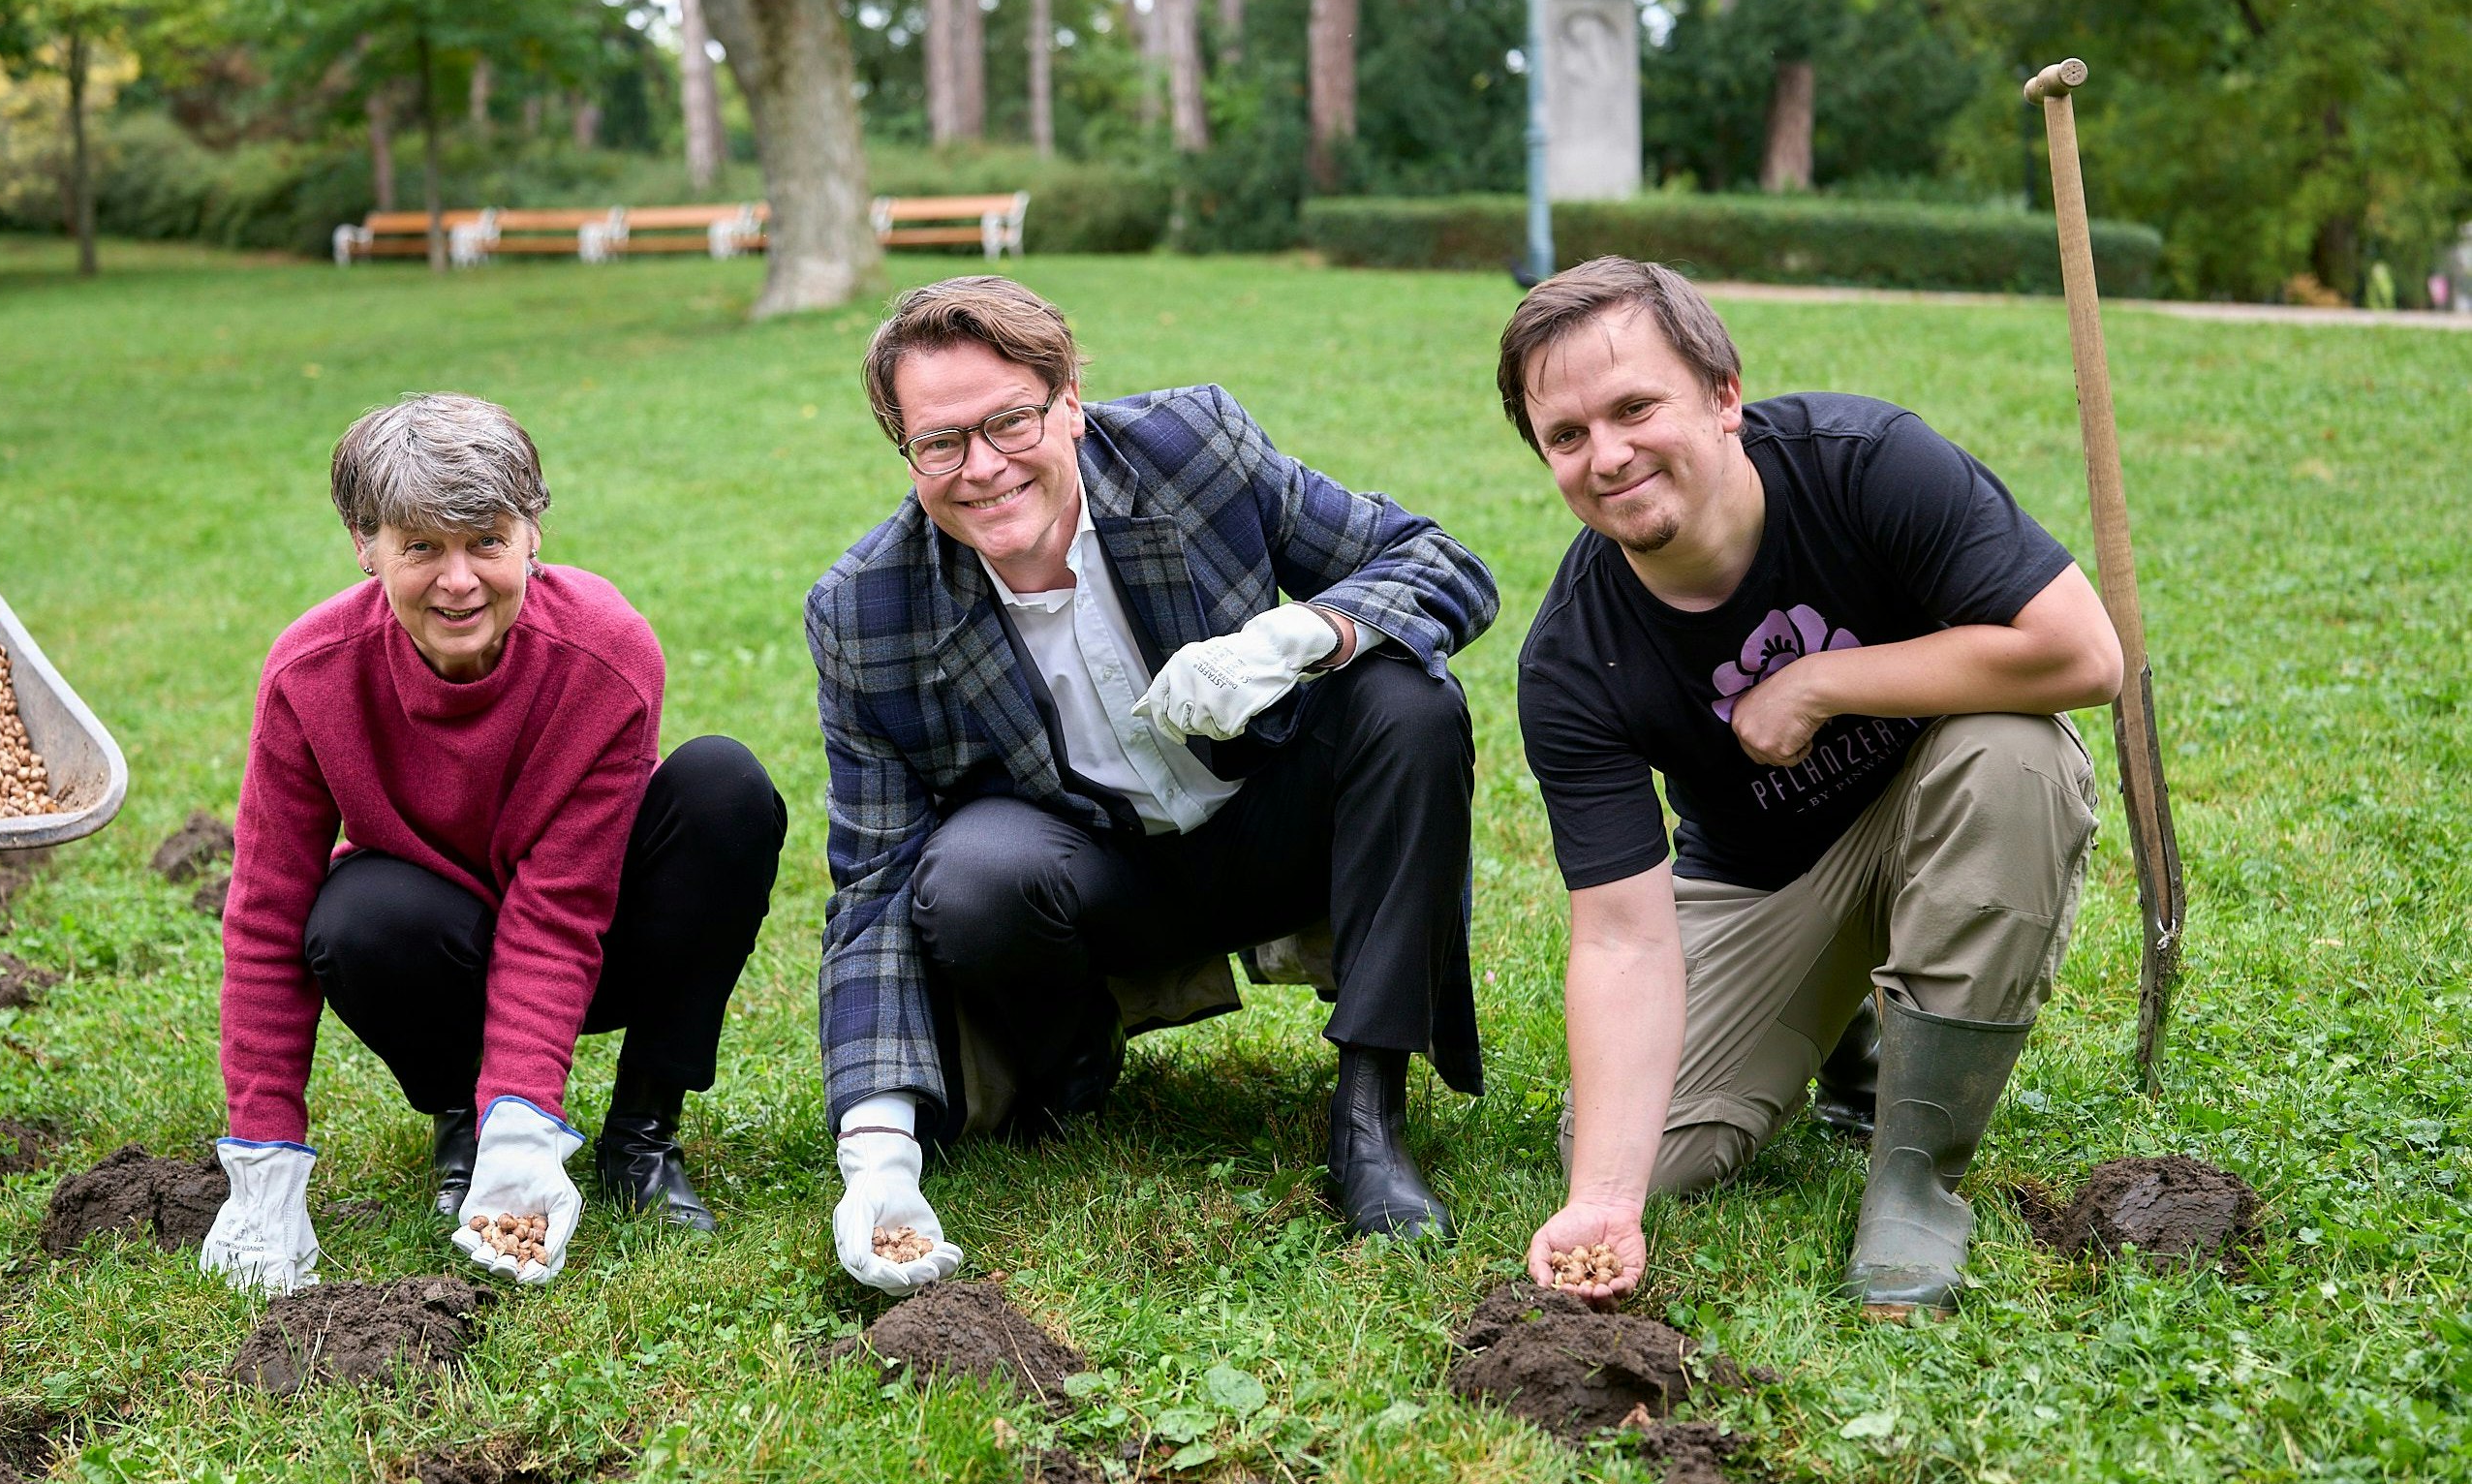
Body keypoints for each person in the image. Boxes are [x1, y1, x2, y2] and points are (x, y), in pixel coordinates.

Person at [808, 276, 1500, 1295]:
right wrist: (876, 1154)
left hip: (1276, 826)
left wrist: (1301, 634)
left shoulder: (1193, 447)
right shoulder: (865, 609)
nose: (983, 468)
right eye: (940, 443)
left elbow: (1440, 565)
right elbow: (872, 884)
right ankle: (1073, 1059)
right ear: (906, 456)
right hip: (1092, 882)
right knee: (967, 875)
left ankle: (1369, 1114)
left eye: (1008, 421)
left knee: (1408, 701)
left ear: (1069, 401)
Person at [1504, 258, 2120, 1315]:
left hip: (1945, 799)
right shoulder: (1571, 660)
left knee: (2016, 754)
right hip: (1764, 877)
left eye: (1635, 408)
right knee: (1650, 1153)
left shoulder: (1867, 464)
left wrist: (1823, 682)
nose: (1606, 456)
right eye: (1567, 436)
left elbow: (2084, 655)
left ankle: (1914, 1175)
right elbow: (1620, 935)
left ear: (1724, 396)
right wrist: (1602, 1197)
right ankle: (1851, 1025)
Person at [201, 393, 785, 1293]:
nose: (459, 579)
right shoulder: (310, 674)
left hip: (597, 941)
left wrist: (528, 1121)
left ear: (532, 537)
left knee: (724, 790)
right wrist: (263, 1160)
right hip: (443, 946)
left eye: (486, 542)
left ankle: (641, 1133)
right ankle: (460, 1122)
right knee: (357, 914)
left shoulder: (607, 652)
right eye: (420, 546)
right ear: (366, 546)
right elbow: (266, 916)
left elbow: (560, 909)